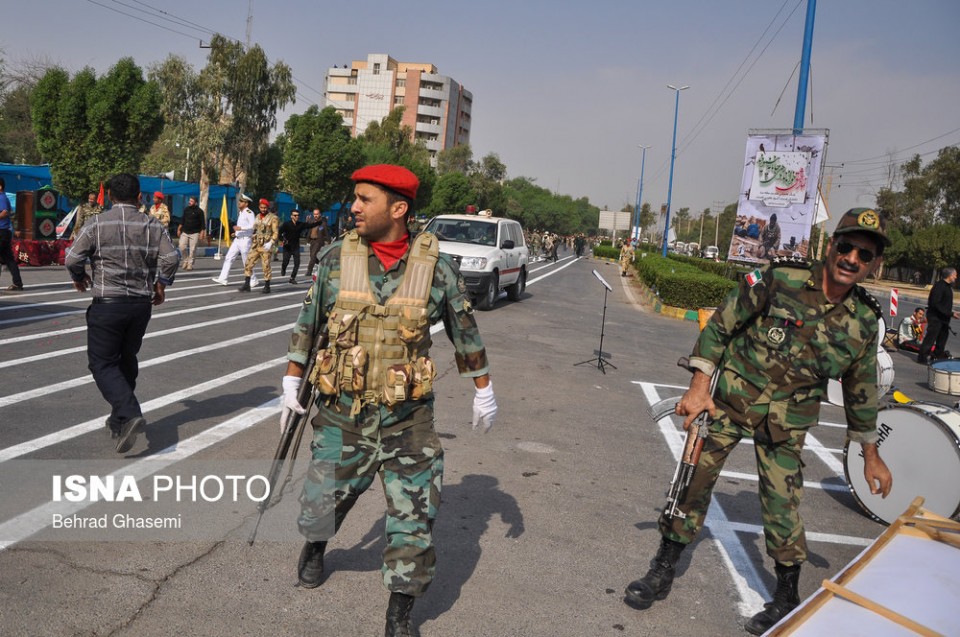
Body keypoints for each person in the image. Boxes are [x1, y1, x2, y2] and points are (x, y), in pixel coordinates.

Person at [624, 207, 894, 636]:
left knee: (784, 508)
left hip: (787, 423)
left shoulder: (863, 322)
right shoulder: (780, 279)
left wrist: (870, 455)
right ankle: (663, 568)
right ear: (831, 246)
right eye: (847, 247)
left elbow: (861, 392)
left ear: (873, 264)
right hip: (728, 402)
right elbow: (720, 328)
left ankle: (786, 597)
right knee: (692, 483)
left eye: (865, 255)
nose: (852, 259)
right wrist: (698, 387)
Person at [281, 164, 497, 637]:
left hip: (408, 421)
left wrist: (483, 388)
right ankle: (316, 546)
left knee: (414, 521)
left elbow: (465, 331)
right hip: (343, 415)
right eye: (354, 198)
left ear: (398, 209)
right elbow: (309, 322)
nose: (354, 207)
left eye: (364, 200)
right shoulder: (337, 258)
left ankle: (399, 615)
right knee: (322, 504)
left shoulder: (436, 269)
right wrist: (291, 381)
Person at [65, 173, 179, 452]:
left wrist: (79, 276)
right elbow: (171, 257)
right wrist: (161, 284)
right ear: (139, 197)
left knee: (102, 363)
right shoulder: (153, 225)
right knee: (126, 358)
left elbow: (72, 258)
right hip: (140, 305)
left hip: (108, 304)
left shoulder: (96, 223)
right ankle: (119, 420)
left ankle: (129, 412)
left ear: (110, 197)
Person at [211, 194, 258, 288]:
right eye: (239, 201)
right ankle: (223, 278)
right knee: (229, 257)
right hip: (237, 239)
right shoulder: (241, 212)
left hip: (245, 240)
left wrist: (241, 228)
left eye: (241, 202)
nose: (239, 203)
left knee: (246, 261)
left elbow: (253, 226)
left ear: (246, 203)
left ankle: (253, 279)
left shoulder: (249, 212)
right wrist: (236, 233)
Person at [918, 267, 960, 365]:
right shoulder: (939, 286)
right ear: (950, 275)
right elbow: (935, 304)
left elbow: (944, 304)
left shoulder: (947, 286)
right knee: (931, 338)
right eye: (955, 275)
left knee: (942, 339)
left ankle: (936, 358)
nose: (956, 277)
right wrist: (951, 313)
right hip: (936, 318)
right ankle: (922, 358)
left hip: (944, 319)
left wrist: (952, 312)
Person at [238, 198, 278, 294]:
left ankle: (267, 286)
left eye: (265, 208)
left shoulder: (273, 218)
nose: (263, 209)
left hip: (266, 245)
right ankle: (247, 284)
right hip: (256, 244)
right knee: (248, 263)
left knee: (266, 266)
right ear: (259, 207)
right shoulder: (257, 216)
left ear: (267, 207)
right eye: (261, 207)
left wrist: (271, 242)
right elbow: (255, 229)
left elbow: (276, 232)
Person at [279, 209, 322, 284]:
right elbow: (279, 232)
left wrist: (320, 222)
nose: (297, 217)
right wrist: (283, 239)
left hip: (296, 247)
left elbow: (310, 225)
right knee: (286, 261)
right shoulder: (286, 224)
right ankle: (283, 268)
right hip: (287, 247)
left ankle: (292, 278)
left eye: (298, 215)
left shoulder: (300, 224)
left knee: (297, 263)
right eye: (295, 215)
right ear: (291, 216)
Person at [0, 177, 25, 292]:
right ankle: (18, 283)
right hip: (4, 232)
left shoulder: (2, 197)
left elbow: (5, 212)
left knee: (8, 258)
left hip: (2, 232)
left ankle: (18, 283)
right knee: (9, 259)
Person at [177, 196, 206, 271]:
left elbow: (203, 223)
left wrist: (202, 233)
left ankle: (190, 264)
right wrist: (179, 229)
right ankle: (185, 260)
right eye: (189, 201)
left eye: (191, 201)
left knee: (192, 250)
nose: (189, 202)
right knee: (181, 246)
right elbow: (182, 220)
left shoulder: (200, 211)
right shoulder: (186, 210)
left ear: (195, 203)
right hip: (185, 231)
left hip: (195, 233)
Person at [305, 209, 330, 279]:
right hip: (312, 241)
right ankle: (321, 264)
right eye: (314, 214)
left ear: (320, 214)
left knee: (313, 255)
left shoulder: (323, 223)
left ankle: (309, 270)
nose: (315, 215)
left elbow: (326, 233)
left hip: (319, 241)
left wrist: (329, 242)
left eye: (317, 214)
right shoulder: (311, 221)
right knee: (312, 256)